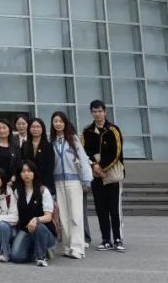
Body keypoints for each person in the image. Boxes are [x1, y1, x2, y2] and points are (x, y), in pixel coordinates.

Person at [82, 99, 125, 252]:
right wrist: (94, 165)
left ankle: (118, 239)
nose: (97, 114)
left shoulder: (113, 129)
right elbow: (84, 152)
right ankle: (106, 239)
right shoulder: (87, 131)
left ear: (105, 112)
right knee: (101, 209)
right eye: (94, 111)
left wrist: (103, 166)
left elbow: (117, 152)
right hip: (96, 176)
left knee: (114, 209)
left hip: (112, 175)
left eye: (100, 111)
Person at [50, 111, 91, 259]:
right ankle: (67, 246)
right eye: (55, 121)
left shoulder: (73, 139)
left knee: (76, 215)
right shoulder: (52, 141)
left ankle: (78, 247)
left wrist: (86, 180)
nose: (58, 124)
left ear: (65, 123)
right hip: (58, 181)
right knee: (63, 216)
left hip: (74, 181)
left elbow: (83, 159)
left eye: (60, 121)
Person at [9, 160, 58, 267]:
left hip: (44, 231)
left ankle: (41, 257)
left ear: (34, 173)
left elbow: (48, 217)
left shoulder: (43, 190)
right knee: (16, 257)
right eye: (23, 171)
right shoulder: (17, 192)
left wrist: (36, 219)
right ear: (19, 174)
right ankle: (34, 249)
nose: (26, 174)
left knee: (38, 226)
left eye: (29, 171)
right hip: (26, 230)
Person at [21, 117, 55, 199]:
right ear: (29, 129)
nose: (35, 129)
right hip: (27, 182)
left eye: (38, 127)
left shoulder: (48, 145)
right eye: (33, 127)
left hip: (44, 184)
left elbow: (50, 168)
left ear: (42, 129)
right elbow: (22, 163)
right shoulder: (25, 145)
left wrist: (44, 185)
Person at [0, 119, 21, 185]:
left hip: (12, 182)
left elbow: (18, 164)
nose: (2, 130)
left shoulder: (15, 147)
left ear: (9, 129)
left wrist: (13, 178)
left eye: (4, 128)